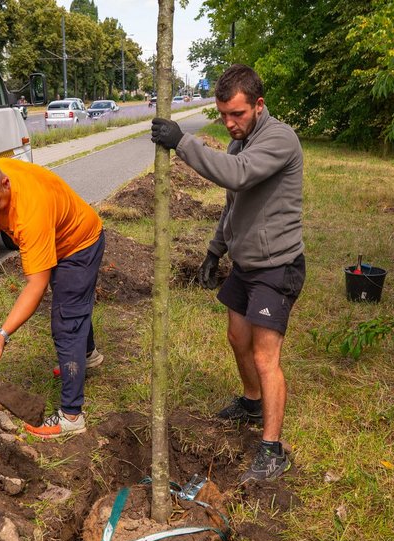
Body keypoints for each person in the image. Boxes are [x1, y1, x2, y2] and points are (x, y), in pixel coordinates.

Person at [150, 64, 305, 483]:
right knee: (237, 337)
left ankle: (272, 449)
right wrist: (214, 250)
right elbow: (233, 203)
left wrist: (183, 143)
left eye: (236, 114)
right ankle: (252, 402)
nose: (229, 123)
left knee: (264, 355)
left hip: (278, 265)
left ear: (258, 104)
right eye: (222, 115)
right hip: (246, 263)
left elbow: (234, 174)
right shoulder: (242, 142)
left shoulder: (278, 139)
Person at [0, 157, 105, 438]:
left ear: (5, 183)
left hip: (79, 245)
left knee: (66, 321)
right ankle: (88, 356)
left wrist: (4, 333)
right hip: (57, 237)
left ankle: (72, 416)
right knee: (72, 306)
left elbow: (36, 285)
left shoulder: (30, 212)